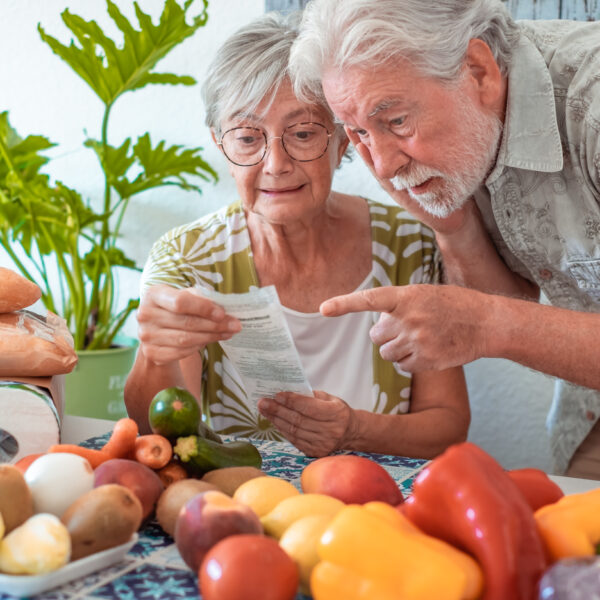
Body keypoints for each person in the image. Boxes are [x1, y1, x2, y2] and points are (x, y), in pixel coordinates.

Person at [123, 11, 469, 459]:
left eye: (302, 133)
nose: (275, 163)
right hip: (241, 504)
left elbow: (447, 423)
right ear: (221, 144)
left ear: (343, 141)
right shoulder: (186, 259)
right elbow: (154, 437)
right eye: (248, 138)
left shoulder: (411, 243)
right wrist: (154, 353)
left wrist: (354, 430)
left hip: (380, 510)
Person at [290, 0, 600, 476]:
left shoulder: (593, 106)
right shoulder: (462, 132)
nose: (386, 165)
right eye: (357, 132)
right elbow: (513, 295)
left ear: (478, 71)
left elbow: (499, 314)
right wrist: (450, 223)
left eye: (396, 121)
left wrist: (488, 324)